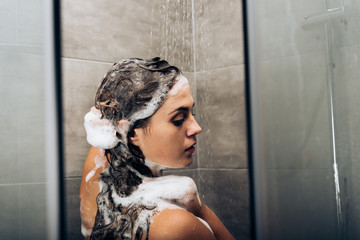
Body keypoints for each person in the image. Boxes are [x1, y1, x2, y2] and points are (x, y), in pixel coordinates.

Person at [80, 57, 235, 240]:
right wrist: (200, 209)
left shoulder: (99, 176)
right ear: (130, 134)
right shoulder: (178, 227)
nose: (197, 128)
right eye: (178, 119)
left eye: (192, 113)